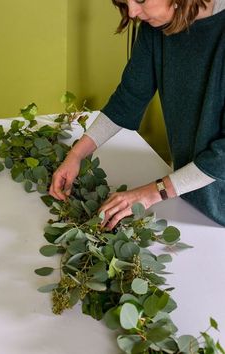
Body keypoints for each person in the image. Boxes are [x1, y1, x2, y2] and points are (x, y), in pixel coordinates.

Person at [49, 0, 225, 229]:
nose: (132, 11)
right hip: (189, 193)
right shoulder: (157, 26)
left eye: (140, 0)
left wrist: (152, 192)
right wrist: (76, 155)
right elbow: (128, 98)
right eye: (124, 1)